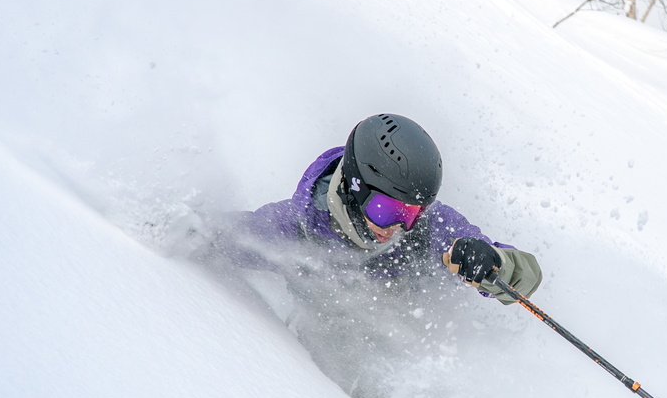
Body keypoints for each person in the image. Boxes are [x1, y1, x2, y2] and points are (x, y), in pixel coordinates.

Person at [213, 113, 542, 305]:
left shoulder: (428, 231)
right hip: (321, 375)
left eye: (411, 213)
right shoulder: (296, 230)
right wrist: (193, 228)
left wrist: (493, 262)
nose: (397, 227)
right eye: (386, 210)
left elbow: (523, 276)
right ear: (355, 187)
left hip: (411, 362)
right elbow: (222, 237)